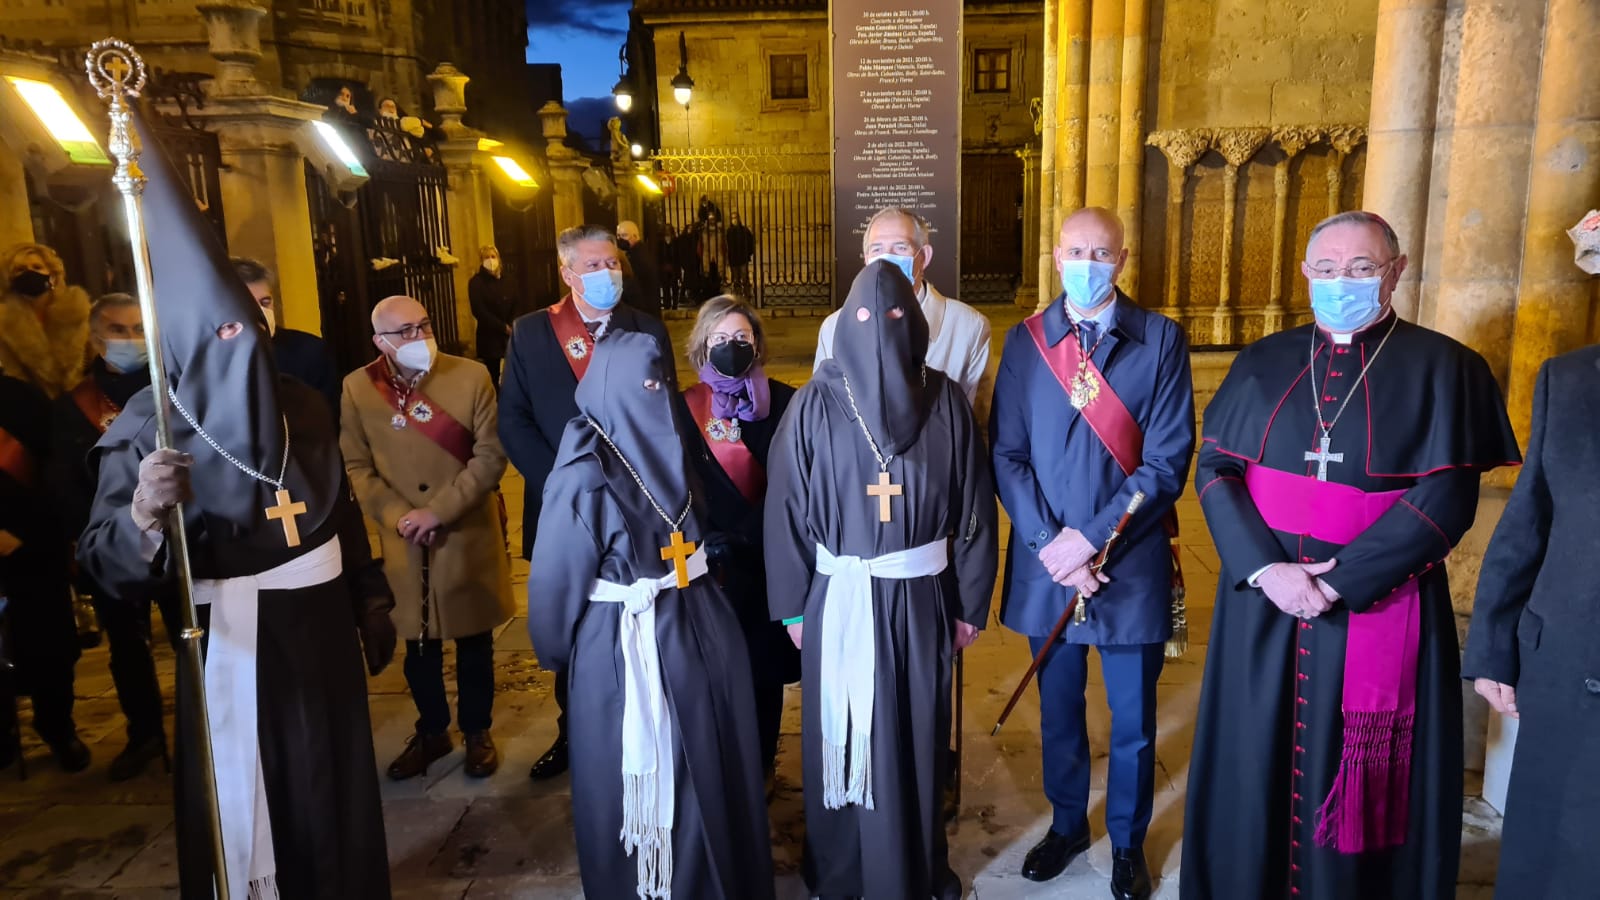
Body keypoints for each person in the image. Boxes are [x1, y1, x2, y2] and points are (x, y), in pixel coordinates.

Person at [77, 109, 395, 898]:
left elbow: (339, 511)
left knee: (335, 798)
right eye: (222, 334)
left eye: (248, 328)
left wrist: (370, 596)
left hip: (321, 642)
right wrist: (146, 512)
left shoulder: (304, 407)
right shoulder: (146, 423)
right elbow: (101, 564)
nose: (242, 344)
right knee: (255, 798)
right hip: (232, 648)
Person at [1182, 211, 1522, 899]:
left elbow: (1447, 498)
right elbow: (1215, 468)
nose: (1343, 282)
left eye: (1362, 269)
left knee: (1369, 778)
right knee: (1256, 756)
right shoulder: (1261, 361)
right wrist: (1265, 569)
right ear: (1306, 273)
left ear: (1395, 272)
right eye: (1329, 269)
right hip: (1265, 603)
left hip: (1380, 600)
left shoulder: (1446, 369)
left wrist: (1340, 583)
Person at [765, 261, 999, 899]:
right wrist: (791, 609)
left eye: (894, 317)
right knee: (842, 732)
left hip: (923, 598)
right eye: (865, 318)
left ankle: (914, 867)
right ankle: (841, 870)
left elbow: (976, 509)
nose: (879, 331)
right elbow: (784, 507)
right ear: (842, 327)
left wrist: (971, 603)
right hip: (837, 598)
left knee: (917, 734)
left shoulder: (946, 399)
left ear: (917, 325)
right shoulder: (815, 402)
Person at [991, 207, 1194, 898]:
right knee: (1058, 709)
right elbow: (1007, 455)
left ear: (1123, 258)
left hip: (1125, 563)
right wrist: (1054, 543)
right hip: (1050, 563)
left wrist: (1093, 538)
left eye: (1100, 252)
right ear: (1055, 257)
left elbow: (1167, 461)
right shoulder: (1025, 343)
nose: (1087, 263)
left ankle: (1129, 840)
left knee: (1135, 718)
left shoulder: (1161, 340)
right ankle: (1070, 822)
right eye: (1075, 251)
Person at [530, 331, 776, 900]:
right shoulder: (588, 468)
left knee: (703, 766)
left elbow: (555, 590)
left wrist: (558, 649)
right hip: (636, 636)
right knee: (661, 768)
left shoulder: (653, 452)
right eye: (644, 383)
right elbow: (556, 580)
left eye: (660, 381)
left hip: (687, 627)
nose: (655, 393)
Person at [499, 224, 676, 781]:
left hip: (636, 507)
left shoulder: (645, 328)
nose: (608, 274)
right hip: (559, 505)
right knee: (573, 619)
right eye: (595, 265)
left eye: (614, 264)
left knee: (636, 613)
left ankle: (645, 720)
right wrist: (562, 486)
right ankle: (575, 732)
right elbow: (515, 420)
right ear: (568, 272)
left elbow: (665, 417)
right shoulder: (531, 333)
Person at [342, 295, 513, 780]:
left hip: (464, 529)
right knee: (418, 643)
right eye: (406, 332)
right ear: (380, 342)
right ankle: (433, 730)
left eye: (425, 325)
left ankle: (478, 729)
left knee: (474, 639)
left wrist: (439, 510)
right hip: (405, 538)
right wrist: (399, 516)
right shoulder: (358, 389)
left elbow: (490, 455)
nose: (420, 338)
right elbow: (356, 465)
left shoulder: (471, 375)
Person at [1462, 343, 1600, 899]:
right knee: (1554, 860)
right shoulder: (1567, 379)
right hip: (1568, 666)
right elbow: (1530, 517)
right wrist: (1494, 646)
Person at [49, 292, 176, 780]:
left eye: (140, 329)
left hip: (173, 540)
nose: (130, 340)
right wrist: (87, 540)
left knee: (193, 636)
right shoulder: (73, 406)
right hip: (114, 540)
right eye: (118, 331)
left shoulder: (173, 392)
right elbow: (65, 482)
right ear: (98, 340)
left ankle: (205, 720)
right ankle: (143, 732)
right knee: (126, 644)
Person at [681, 295, 798, 783]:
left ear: (757, 344)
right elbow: (675, 483)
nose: (731, 347)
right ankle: (717, 764)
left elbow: (795, 484)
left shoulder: (787, 402)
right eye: (720, 339)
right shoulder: (684, 408)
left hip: (766, 556)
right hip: (708, 560)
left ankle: (763, 764)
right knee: (708, 668)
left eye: (741, 338)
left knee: (762, 671)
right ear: (703, 345)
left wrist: (746, 535)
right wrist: (706, 538)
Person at [0, 242, 91, 772]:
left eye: (43, 272)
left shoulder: (78, 340)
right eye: (21, 273)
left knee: (51, 633)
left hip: (50, 508)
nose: (32, 279)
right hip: (8, 508)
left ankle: (57, 724)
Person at [814, 207, 993, 416]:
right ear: (866, 259)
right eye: (877, 249)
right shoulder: (833, 328)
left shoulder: (969, 328)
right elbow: (824, 412)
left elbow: (978, 422)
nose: (886, 259)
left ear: (924, 256)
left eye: (900, 247)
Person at [232, 258, 342, 425]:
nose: (261, 312)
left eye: (265, 302)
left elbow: (330, 419)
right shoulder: (208, 359)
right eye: (248, 304)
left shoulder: (308, 351)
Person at [1, 242, 91, 399]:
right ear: (10, 279)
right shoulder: (4, 322)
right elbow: (14, 378)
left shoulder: (80, 311)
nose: (29, 273)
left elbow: (96, 362)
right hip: (33, 408)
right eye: (20, 270)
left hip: (85, 404)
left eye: (37, 267)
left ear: (54, 276)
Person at [467, 245, 516, 392]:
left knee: (513, 370)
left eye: (493, 256)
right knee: (492, 375)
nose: (490, 260)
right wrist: (503, 327)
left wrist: (513, 324)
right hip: (490, 336)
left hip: (510, 333)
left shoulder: (509, 280)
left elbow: (517, 302)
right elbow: (479, 310)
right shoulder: (476, 282)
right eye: (486, 257)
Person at [617, 220, 663, 320]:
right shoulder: (635, 253)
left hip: (644, 310)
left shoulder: (638, 256)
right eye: (618, 236)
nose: (620, 239)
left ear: (635, 236)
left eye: (624, 235)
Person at [725, 212, 755, 298]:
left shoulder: (744, 230)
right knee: (736, 279)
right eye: (732, 218)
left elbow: (751, 242)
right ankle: (738, 295)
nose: (734, 220)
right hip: (733, 258)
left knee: (745, 277)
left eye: (735, 218)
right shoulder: (729, 231)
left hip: (742, 258)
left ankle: (747, 294)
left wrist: (748, 253)